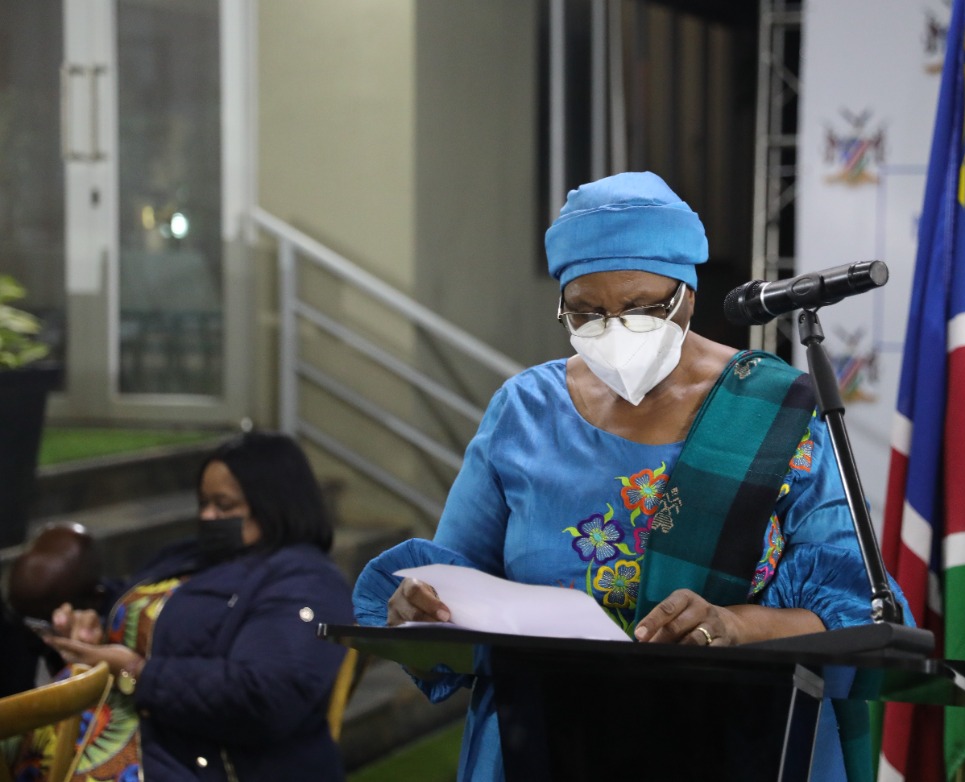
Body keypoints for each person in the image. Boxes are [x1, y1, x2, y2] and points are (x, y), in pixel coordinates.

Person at [353, 171, 911, 781]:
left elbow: (856, 608)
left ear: (689, 294)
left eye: (643, 308)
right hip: (539, 741)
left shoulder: (775, 410)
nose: (614, 329)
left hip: (734, 742)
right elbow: (452, 580)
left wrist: (734, 624)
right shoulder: (525, 411)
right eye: (586, 313)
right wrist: (422, 605)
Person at [7, 431, 354, 782]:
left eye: (224, 505)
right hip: (104, 737)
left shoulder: (307, 583)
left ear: (275, 504)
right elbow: (130, 604)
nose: (207, 516)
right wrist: (91, 626)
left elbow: (266, 699)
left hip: (195, 762)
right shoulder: (190, 556)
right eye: (203, 502)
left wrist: (138, 673)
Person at [1, 523, 107, 697]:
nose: (40, 638)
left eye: (43, 627)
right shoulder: (15, 629)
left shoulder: (118, 630)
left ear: (95, 600)